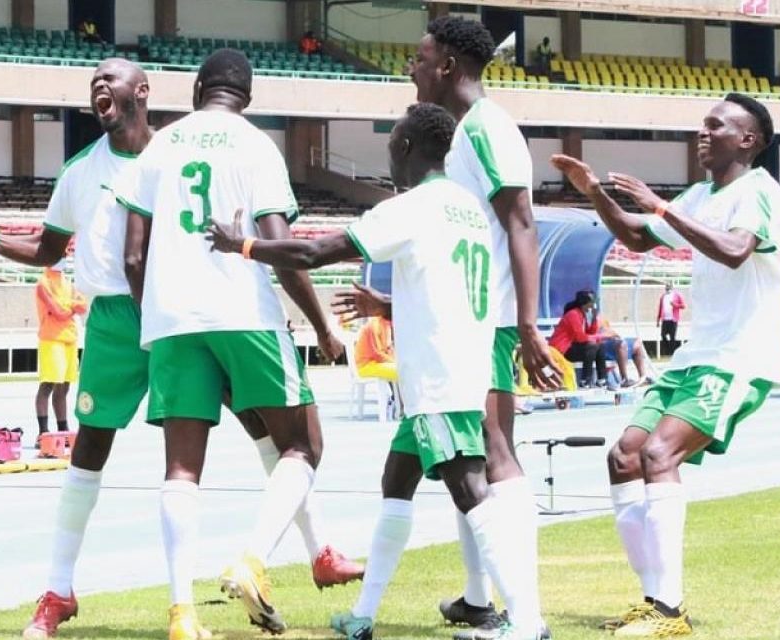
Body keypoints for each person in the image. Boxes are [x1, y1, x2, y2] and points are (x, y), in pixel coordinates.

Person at [208, 101, 549, 640]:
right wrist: (387, 306)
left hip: (439, 380)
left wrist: (243, 245)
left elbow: (316, 252)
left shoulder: (412, 207)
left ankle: (526, 623)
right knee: (396, 479)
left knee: (470, 491)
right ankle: (363, 616)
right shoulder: (467, 208)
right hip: (455, 368)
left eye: (391, 144)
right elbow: (445, 288)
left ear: (406, 147)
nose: (389, 155)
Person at [115, 49, 359, 639]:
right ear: (247, 97)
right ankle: (253, 561)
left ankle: (182, 614)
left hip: (173, 320)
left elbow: (133, 256)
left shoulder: (160, 147)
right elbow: (281, 248)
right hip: (243, 313)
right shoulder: (256, 145)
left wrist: (156, 319)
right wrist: (322, 325)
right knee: (303, 444)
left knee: (180, 469)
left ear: (198, 87)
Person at [552, 92, 780, 636]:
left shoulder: (759, 190)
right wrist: (594, 192)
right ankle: (653, 599)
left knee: (659, 454)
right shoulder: (700, 195)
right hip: (694, 358)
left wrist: (660, 206)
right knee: (624, 457)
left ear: (747, 140)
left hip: (738, 358)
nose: (703, 133)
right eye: (703, 124)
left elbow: (734, 250)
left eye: (716, 126)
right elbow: (637, 237)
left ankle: (669, 609)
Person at [0, 58, 169, 640]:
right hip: (112, 322)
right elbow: (49, 251)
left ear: (141, 91)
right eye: (93, 80)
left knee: (249, 418)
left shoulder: (174, 158)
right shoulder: (79, 170)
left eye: (110, 78)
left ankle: (313, 549)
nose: (99, 85)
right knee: (89, 451)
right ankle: (58, 590)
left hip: (174, 313)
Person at [408, 18, 560, 638]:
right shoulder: (462, 132)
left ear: (447, 65)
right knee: (467, 461)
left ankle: (527, 617)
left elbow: (521, 222)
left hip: (490, 321)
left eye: (420, 59)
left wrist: (526, 324)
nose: (411, 70)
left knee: (496, 456)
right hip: (465, 321)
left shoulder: (487, 128)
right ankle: (481, 600)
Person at [34, 260, 88, 442]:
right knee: (48, 384)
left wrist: (67, 306)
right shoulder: (43, 283)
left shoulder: (67, 282)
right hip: (51, 338)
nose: (63, 259)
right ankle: (43, 431)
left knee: (64, 386)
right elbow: (58, 312)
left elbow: (83, 306)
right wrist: (71, 306)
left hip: (70, 338)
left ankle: (63, 429)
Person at [549, 290, 608, 388]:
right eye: (592, 301)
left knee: (599, 346)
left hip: (572, 347)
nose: (594, 304)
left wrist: (594, 318)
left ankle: (602, 380)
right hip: (562, 350)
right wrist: (602, 336)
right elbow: (580, 337)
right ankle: (585, 380)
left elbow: (590, 334)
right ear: (585, 303)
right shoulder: (573, 314)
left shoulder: (582, 314)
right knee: (592, 346)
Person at [596, 310, 649, 386]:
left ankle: (643, 378)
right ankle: (624, 379)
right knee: (621, 344)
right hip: (600, 345)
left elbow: (610, 330)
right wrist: (608, 335)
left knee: (637, 343)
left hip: (611, 341)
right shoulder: (587, 318)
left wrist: (614, 335)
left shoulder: (600, 317)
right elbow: (591, 335)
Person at [354, 316, 397, 382]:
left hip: (378, 362)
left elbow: (388, 348)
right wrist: (393, 361)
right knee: (399, 372)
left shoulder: (386, 324)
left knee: (403, 369)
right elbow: (377, 353)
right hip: (366, 365)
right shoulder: (375, 325)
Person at [656, 282, 686, 356]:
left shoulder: (677, 295)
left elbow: (683, 306)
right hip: (665, 319)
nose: (667, 288)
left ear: (672, 288)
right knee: (663, 335)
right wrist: (658, 320)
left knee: (672, 337)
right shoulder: (663, 296)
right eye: (666, 287)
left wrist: (674, 305)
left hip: (673, 320)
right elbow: (660, 308)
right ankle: (668, 349)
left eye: (669, 287)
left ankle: (672, 353)